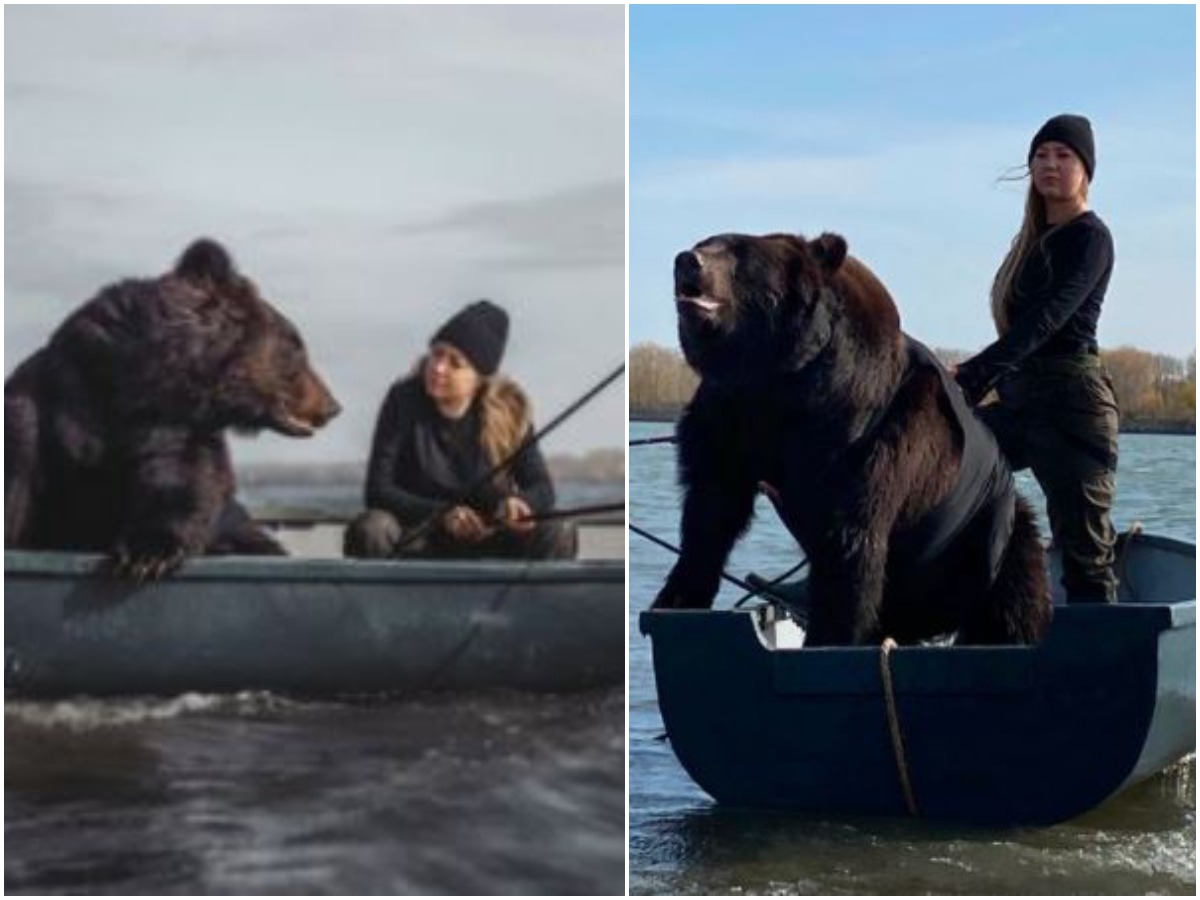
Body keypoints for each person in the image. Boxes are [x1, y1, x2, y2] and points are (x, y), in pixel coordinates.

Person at [954, 113, 1119, 603]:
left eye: (1063, 156)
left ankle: (1099, 664)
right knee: (940, 465)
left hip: (1075, 410)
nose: (1050, 164)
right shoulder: (1028, 244)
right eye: (1041, 155)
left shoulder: (1092, 239)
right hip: (1022, 402)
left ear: (1085, 170)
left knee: (1085, 556)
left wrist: (975, 373)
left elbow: (1045, 322)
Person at [344, 300, 576, 560]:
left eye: (455, 363)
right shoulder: (402, 400)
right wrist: (443, 515)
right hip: (420, 536)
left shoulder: (510, 412)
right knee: (373, 528)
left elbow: (542, 486)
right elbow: (378, 490)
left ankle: (540, 600)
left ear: (479, 377)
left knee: (558, 528)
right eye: (437, 353)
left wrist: (520, 504)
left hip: (491, 537)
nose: (439, 367)